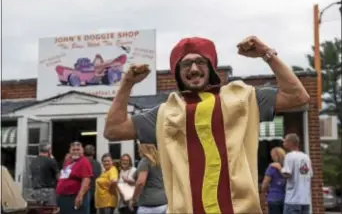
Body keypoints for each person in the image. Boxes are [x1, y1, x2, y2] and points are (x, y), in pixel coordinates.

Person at [104, 36, 310, 213]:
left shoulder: (242, 98)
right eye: (186, 64)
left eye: (200, 62)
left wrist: (267, 54)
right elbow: (113, 130)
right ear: (178, 72)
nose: (193, 69)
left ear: (211, 67)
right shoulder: (166, 113)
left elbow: (298, 96)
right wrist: (127, 83)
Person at [273, 133, 313, 214]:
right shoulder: (306, 157)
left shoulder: (289, 156)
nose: (283, 143)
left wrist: (279, 168)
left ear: (291, 143)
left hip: (293, 201)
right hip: (305, 201)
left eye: (285, 141)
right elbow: (310, 174)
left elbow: (287, 174)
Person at [56, 142, 93, 214]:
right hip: (64, 198)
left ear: (82, 151)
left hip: (74, 197)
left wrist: (80, 196)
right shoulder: (68, 162)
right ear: (69, 151)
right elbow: (63, 177)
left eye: (78, 149)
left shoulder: (84, 161)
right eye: (73, 150)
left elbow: (86, 179)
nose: (75, 151)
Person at [129, 144, 167, 214]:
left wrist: (133, 199)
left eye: (139, 148)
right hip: (163, 203)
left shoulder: (145, 161)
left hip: (148, 206)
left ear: (142, 149)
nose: (138, 151)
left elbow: (140, 182)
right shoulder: (161, 162)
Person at [261, 147, 286, 214]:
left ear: (275, 156)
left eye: (272, 155)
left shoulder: (272, 167)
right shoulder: (287, 166)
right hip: (287, 199)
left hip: (273, 198)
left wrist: (265, 193)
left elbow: (264, 185)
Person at [84, 145, 102, 214]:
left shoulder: (81, 163)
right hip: (94, 192)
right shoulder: (97, 164)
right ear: (94, 152)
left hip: (84, 192)